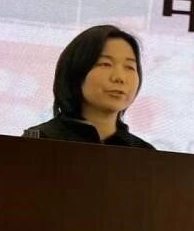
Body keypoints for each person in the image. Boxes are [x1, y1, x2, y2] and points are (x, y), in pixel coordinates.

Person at [24, 24, 154, 149]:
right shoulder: (40, 139)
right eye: (105, 64)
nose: (119, 78)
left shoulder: (146, 153)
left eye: (130, 67)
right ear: (75, 71)